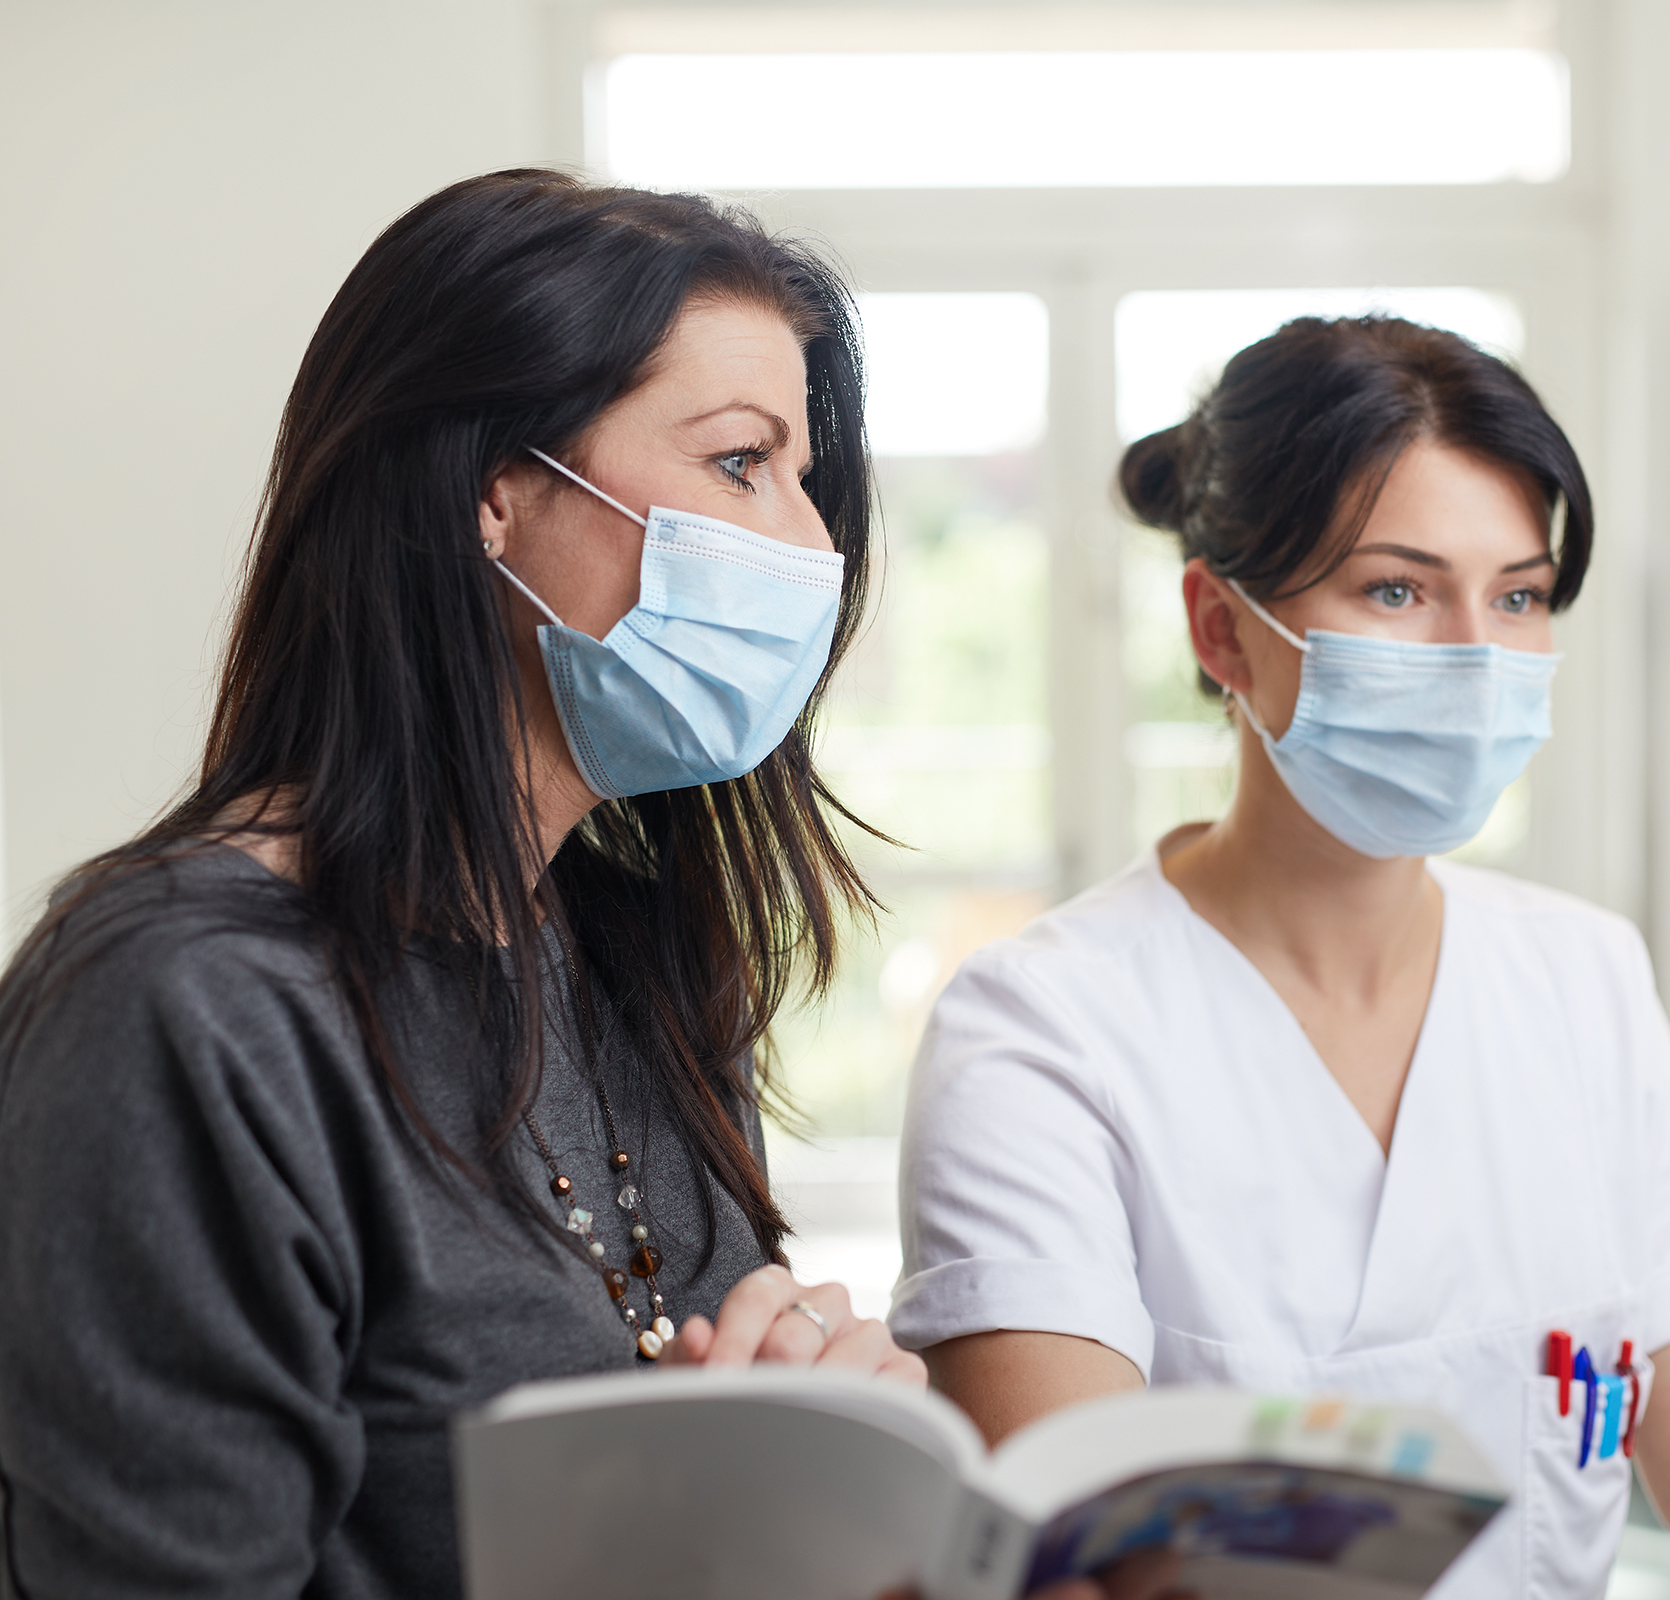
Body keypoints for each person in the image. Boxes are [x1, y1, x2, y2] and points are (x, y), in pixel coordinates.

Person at [0, 170, 1164, 1600]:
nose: (811, 544)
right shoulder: (184, 1006)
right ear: (493, 492)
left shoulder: (632, 957)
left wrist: (825, 1472)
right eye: (741, 462)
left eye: (808, 478)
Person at [890, 317, 1670, 1600]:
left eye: (1520, 595)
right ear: (1221, 630)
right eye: (1397, 589)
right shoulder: (1042, 1031)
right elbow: (1078, 1562)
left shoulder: (1583, 980)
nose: (1477, 658)